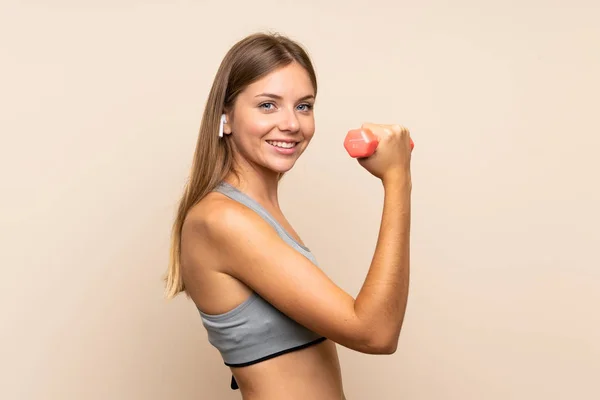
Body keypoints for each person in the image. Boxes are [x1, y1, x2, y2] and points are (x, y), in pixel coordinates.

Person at [164, 32, 413, 400]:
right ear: (226, 117)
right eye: (268, 105)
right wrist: (398, 179)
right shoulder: (224, 221)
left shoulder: (258, 214)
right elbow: (375, 332)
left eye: (304, 106)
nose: (292, 124)